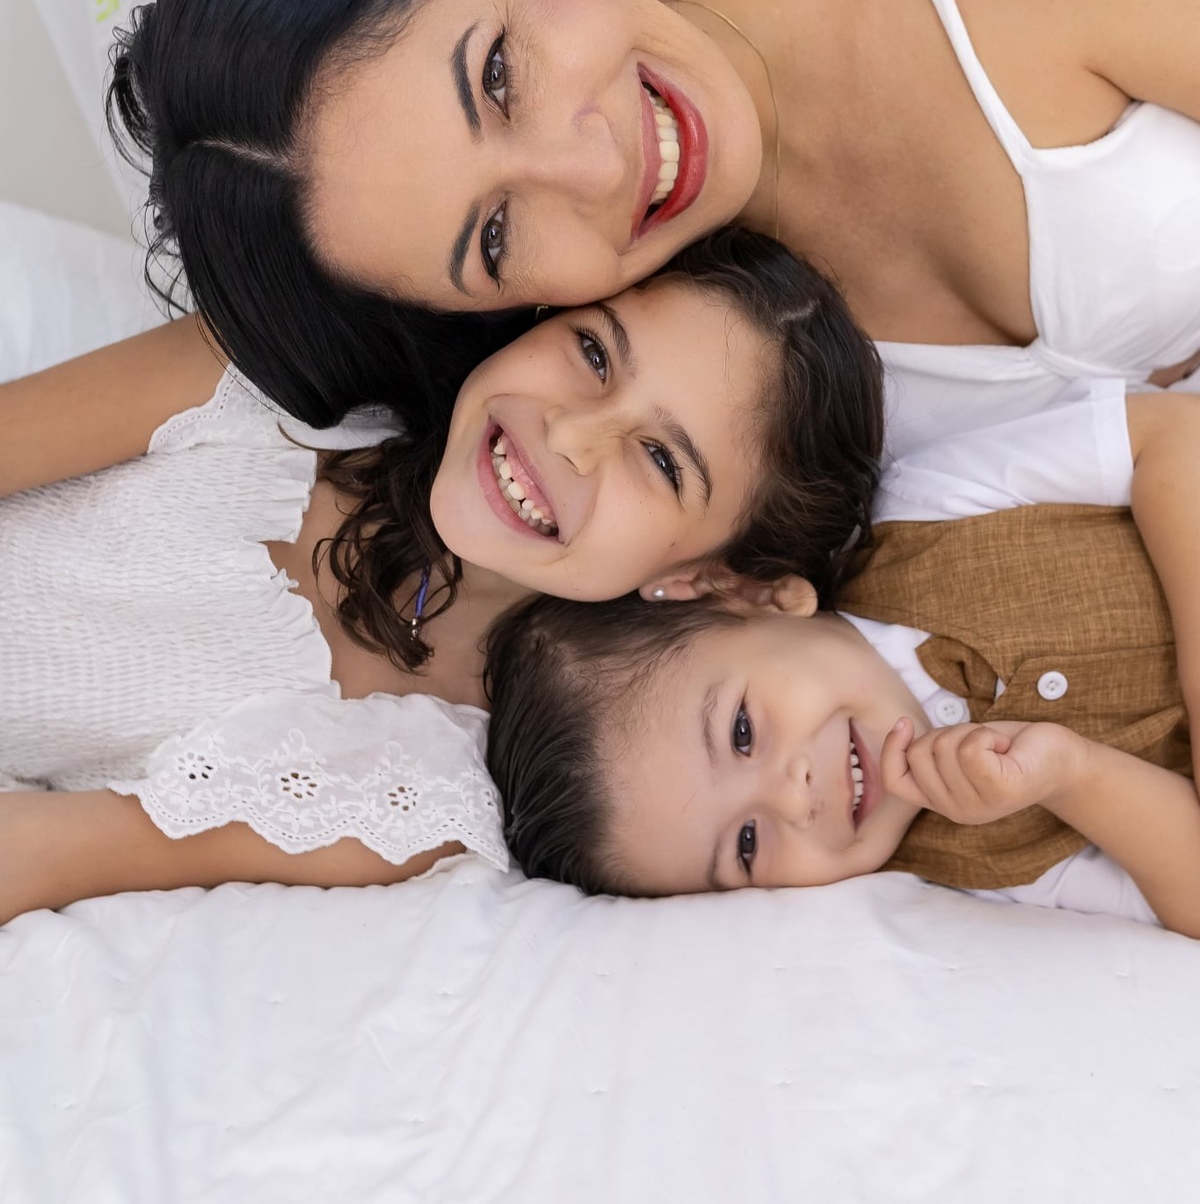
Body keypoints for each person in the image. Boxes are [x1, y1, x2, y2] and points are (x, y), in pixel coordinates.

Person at [107, 0, 1200, 444]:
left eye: (499, 76)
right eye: (495, 235)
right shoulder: (610, 362)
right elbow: (231, 376)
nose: (593, 169)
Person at [0, 229, 882, 923]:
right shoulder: (295, 384)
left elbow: (48, 852)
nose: (570, 434)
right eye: (594, 353)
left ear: (714, 581)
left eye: (660, 460)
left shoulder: (416, 790)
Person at [485, 381, 1200, 937]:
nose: (794, 798)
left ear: (755, 596)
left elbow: (1171, 435)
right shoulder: (986, 863)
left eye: (742, 732)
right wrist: (1074, 775)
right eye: (746, 845)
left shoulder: (933, 509)